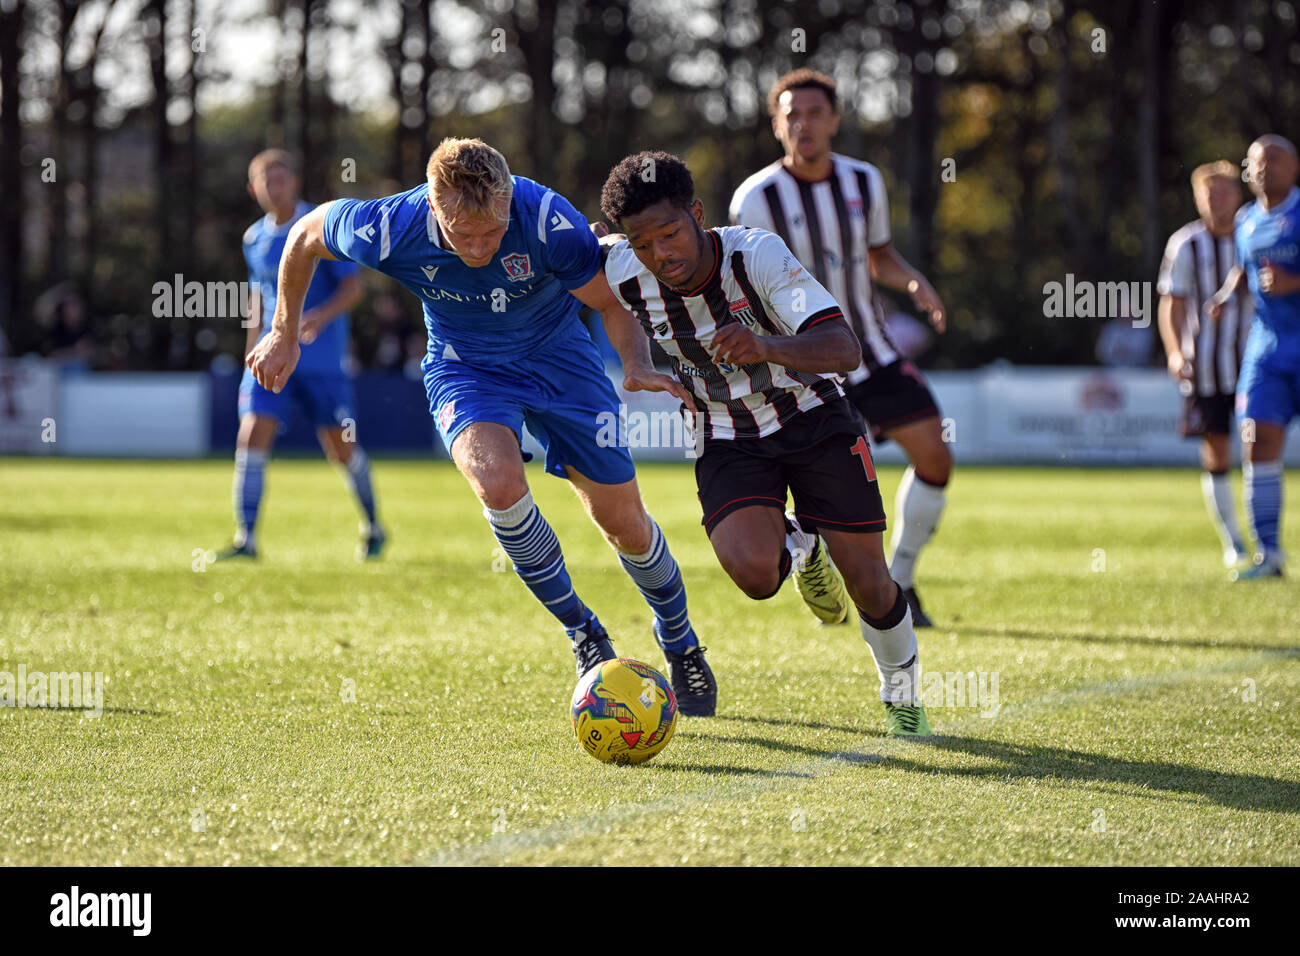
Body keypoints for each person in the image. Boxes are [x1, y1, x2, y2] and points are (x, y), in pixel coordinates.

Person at [247, 137, 717, 712]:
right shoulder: (389, 225)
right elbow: (304, 237)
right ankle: (584, 632)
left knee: (624, 524)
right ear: (432, 208)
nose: (477, 248)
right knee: (496, 483)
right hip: (465, 368)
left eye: (491, 234)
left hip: (560, 363)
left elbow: (612, 301)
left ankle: (680, 638)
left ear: (509, 201)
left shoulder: (547, 221)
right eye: (460, 235)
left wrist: (638, 364)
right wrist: (282, 330)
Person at [597, 150, 932, 736]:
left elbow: (844, 349)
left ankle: (901, 694)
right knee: (754, 576)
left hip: (812, 418)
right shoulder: (623, 266)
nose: (661, 255)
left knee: (872, 586)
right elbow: (601, 291)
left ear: (698, 214)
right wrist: (634, 361)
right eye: (643, 244)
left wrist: (766, 345)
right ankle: (804, 546)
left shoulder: (758, 255)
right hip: (726, 435)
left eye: (671, 234)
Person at [730, 68, 951, 628]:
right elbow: (744, 287)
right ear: (777, 124)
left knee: (935, 455)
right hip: (803, 366)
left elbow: (879, 256)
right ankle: (819, 561)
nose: (803, 124)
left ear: (833, 121)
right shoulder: (755, 198)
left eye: (814, 113)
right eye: (792, 114)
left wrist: (913, 281)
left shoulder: (865, 181)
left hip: (870, 348)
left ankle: (901, 574)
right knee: (831, 489)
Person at [219, 149, 383, 562]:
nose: (274, 188)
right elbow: (256, 300)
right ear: (252, 189)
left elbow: (353, 288)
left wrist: (317, 318)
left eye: (281, 179)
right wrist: (250, 350)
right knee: (251, 435)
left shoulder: (319, 225)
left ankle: (373, 525)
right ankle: (247, 539)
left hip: (322, 362)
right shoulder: (253, 238)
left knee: (340, 447)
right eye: (265, 181)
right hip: (271, 359)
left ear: (294, 182)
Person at [1208, 134, 1300, 580]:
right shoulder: (1246, 220)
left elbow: (1281, 279)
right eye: (1257, 163)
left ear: (1294, 167)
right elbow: (1245, 269)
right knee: (1256, 439)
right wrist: (1227, 294)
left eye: (1275, 161)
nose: (1264, 169)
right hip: (1267, 349)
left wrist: (1293, 283)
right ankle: (1269, 554)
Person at [1157, 160, 1252, 568]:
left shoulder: (1256, 232)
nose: (1216, 201)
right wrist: (1176, 352)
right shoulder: (1185, 244)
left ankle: (1264, 535)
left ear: (1239, 195)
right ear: (1197, 198)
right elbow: (1171, 304)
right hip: (1207, 366)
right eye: (1208, 194)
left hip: (1257, 363)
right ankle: (1233, 540)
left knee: (1257, 446)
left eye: (1224, 192)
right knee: (1216, 449)